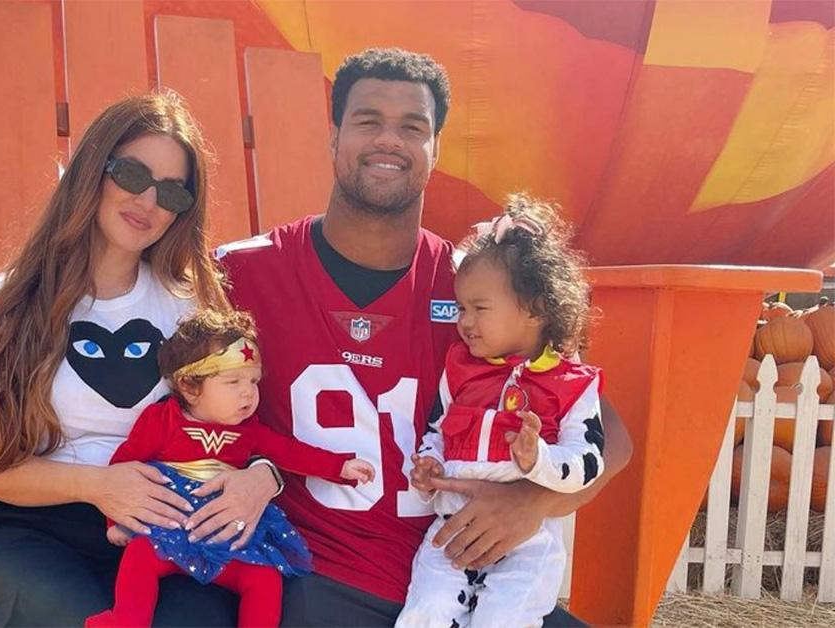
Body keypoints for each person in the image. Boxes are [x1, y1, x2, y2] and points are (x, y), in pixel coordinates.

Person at [216, 48, 633, 626]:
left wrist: (533, 503)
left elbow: (608, 430)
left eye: (413, 127)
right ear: (333, 134)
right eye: (368, 121)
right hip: (319, 577)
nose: (390, 140)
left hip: (462, 577)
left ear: (435, 148)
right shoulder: (243, 271)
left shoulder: (480, 286)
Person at [0, 91, 270, 626]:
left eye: (173, 192)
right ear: (93, 170)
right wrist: (100, 486)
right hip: (29, 525)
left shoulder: (193, 308)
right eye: (133, 175)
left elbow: (243, 424)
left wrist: (263, 476)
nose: (149, 201)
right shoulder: (5, 300)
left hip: (164, 534)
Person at [88, 309, 374, 627]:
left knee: (264, 578)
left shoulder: (249, 431)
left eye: (253, 381)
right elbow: (123, 467)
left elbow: (289, 452)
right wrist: (116, 521)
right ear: (189, 386)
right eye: (233, 381)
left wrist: (339, 466)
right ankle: (127, 621)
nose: (248, 393)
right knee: (140, 556)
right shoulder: (162, 421)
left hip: (226, 539)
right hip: (166, 530)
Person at [396, 195, 605, 627]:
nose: (465, 322)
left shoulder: (571, 384)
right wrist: (429, 463)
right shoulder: (458, 371)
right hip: (452, 528)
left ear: (535, 310)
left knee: (502, 618)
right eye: (461, 308)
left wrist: (538, 461)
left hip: (527, 542)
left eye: (480, 308)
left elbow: (588, 461)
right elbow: (438, 428)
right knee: (427, 612)